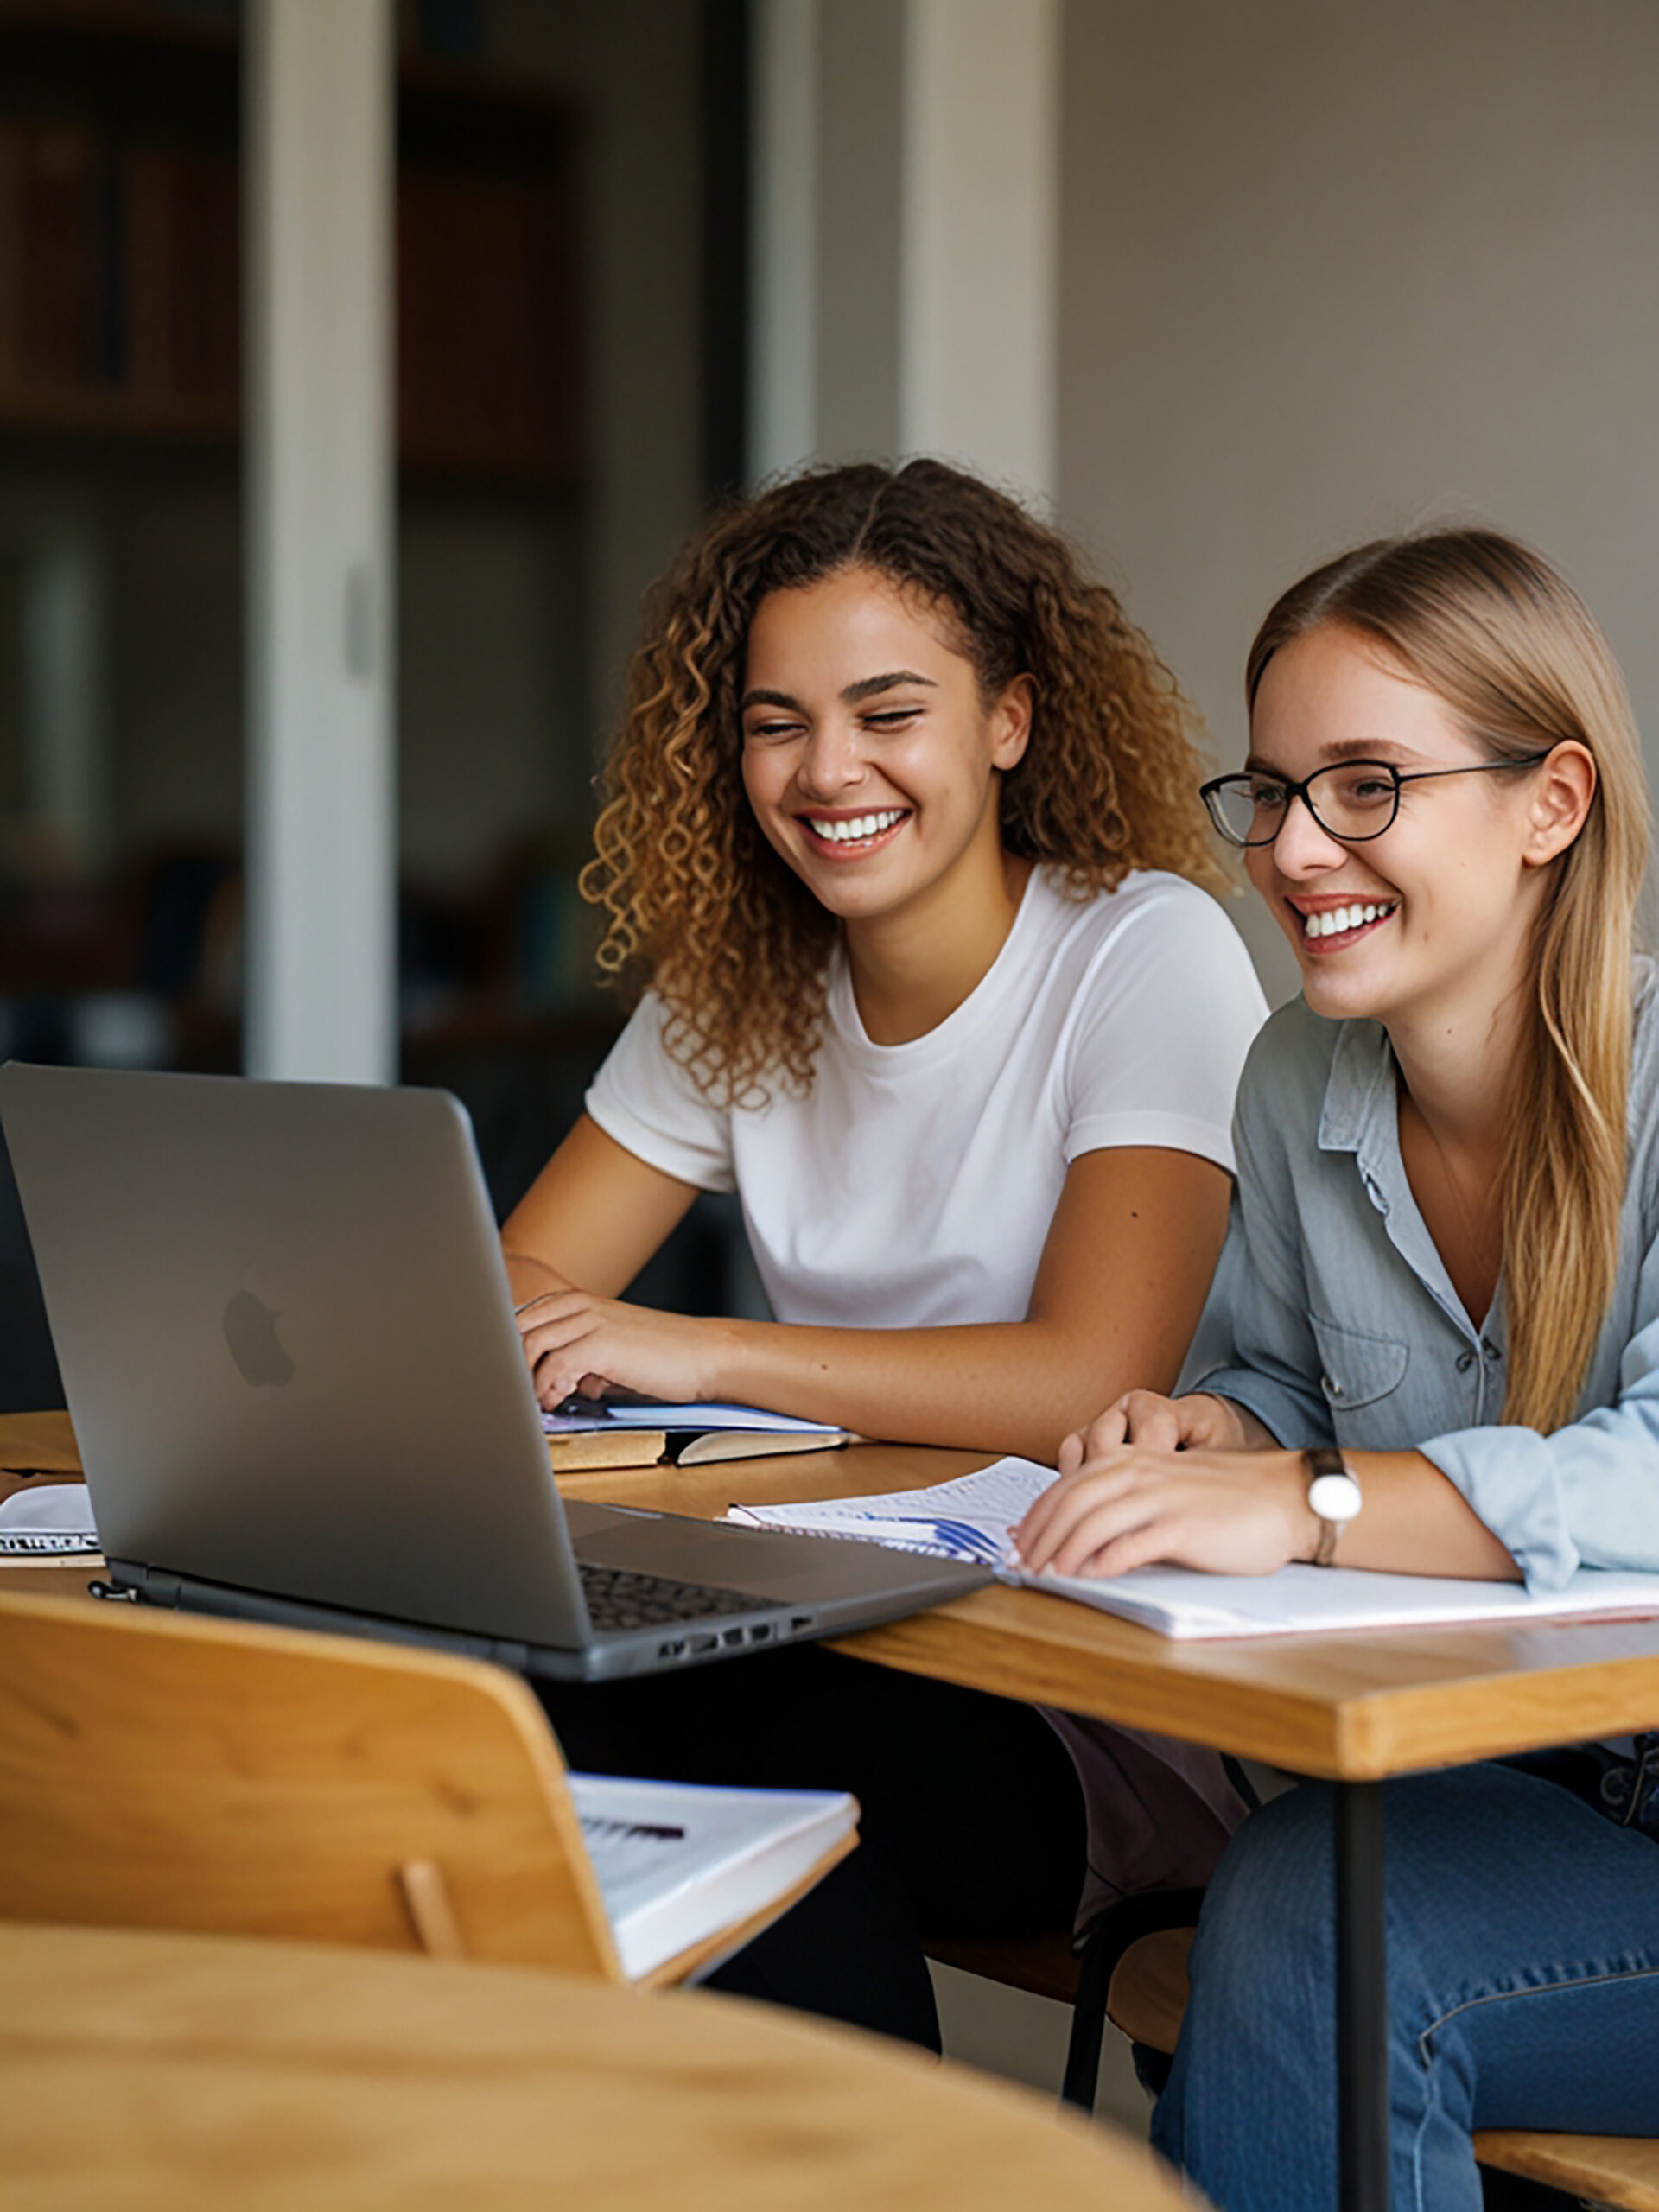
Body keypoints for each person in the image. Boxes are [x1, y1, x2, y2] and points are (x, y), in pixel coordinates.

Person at [502, 458, 1268, 2045]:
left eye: (887, 711)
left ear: (1010, 719)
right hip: (821, 1623)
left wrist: (695, 1350)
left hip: (1095, 1697)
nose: (825, 768)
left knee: (675, 1742)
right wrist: (590, 1351)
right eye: (778, 722)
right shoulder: (741, 986)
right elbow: (509, 1296)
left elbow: (1087, 1376)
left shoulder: (1142, 950)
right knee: (522, 1701)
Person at [1016, 528, 1659, 2209]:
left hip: (1608, 1827)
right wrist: (1214, 1422)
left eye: (1365, 786)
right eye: (1275, 790)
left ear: (1553, 802)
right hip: (1488, 1797)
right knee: (1307, 1902)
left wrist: (1298, 1504)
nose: (1293, 849)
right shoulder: (1296, 1071)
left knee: (1316, 1924)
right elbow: (1290, 1383)